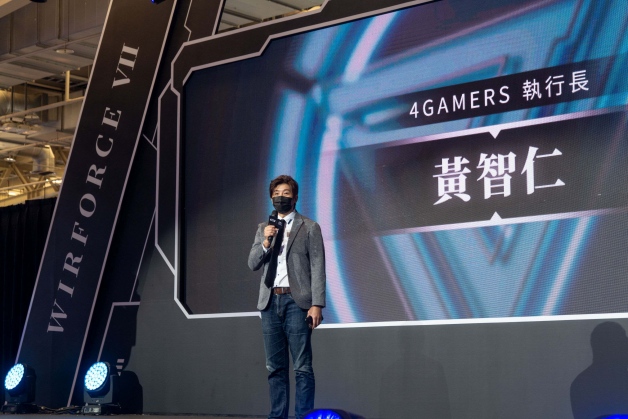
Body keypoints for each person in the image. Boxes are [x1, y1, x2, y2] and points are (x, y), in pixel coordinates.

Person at [248, 175, 326, 419]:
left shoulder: (309, 227)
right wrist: (265, 242)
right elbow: (252, 263)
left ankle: (304, 416)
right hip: (270, 302)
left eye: (285, 193)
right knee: (275, 368)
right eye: (276, 194)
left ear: (295, 197)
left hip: (297, 302)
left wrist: (317, 304)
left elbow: (318, 266)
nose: (280, 197)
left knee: (302, 367)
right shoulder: (264, 228)